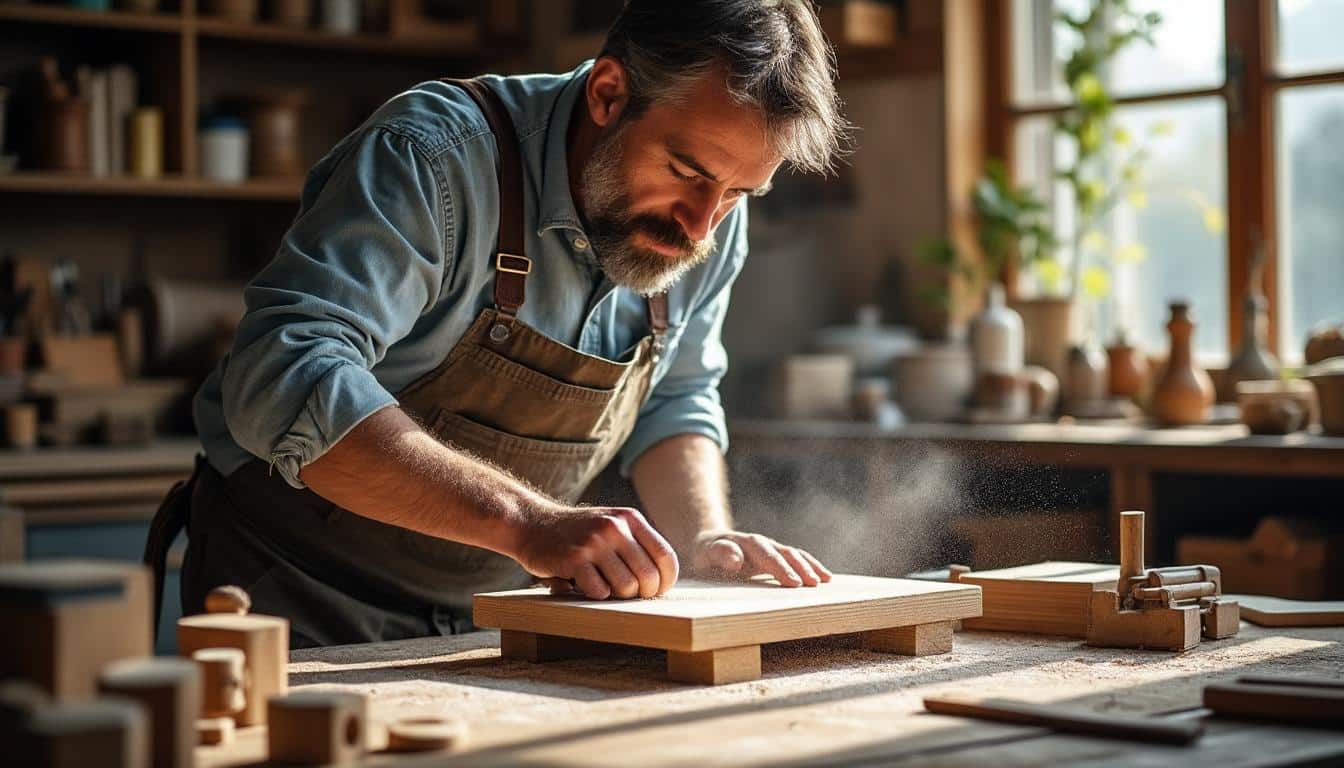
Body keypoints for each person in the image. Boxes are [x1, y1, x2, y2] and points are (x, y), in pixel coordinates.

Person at [145, 0, 850, 648]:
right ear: (609, 93)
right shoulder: (432, 156)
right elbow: (284, 372)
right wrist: (526, 523)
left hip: (493, 612)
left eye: (737, 193)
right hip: (297, 590)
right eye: (686, 172)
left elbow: (676, 395)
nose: (701, 225)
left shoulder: (706, 220)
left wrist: (704, 537)